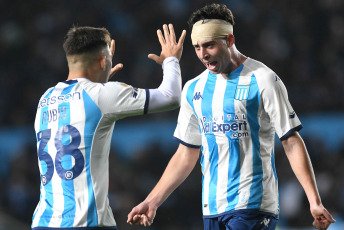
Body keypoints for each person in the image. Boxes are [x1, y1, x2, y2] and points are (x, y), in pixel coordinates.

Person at [127, 3, 335, 230]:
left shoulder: (263, 79)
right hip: (212, 208)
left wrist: (314, 202)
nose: (203, 54)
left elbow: (291, 141)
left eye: (209, 45)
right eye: (197, 47)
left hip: (253, 205)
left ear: (229, 40)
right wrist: (152, 200)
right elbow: (186, 153)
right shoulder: (193, 88)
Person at [31, 24, 186, 230]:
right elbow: (171, 97)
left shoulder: (46, 98)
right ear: (103, 61)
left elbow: (85, 105)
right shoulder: (101, 95)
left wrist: (99, 80)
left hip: (43, 222)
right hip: (87, 223)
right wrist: (171, 60)